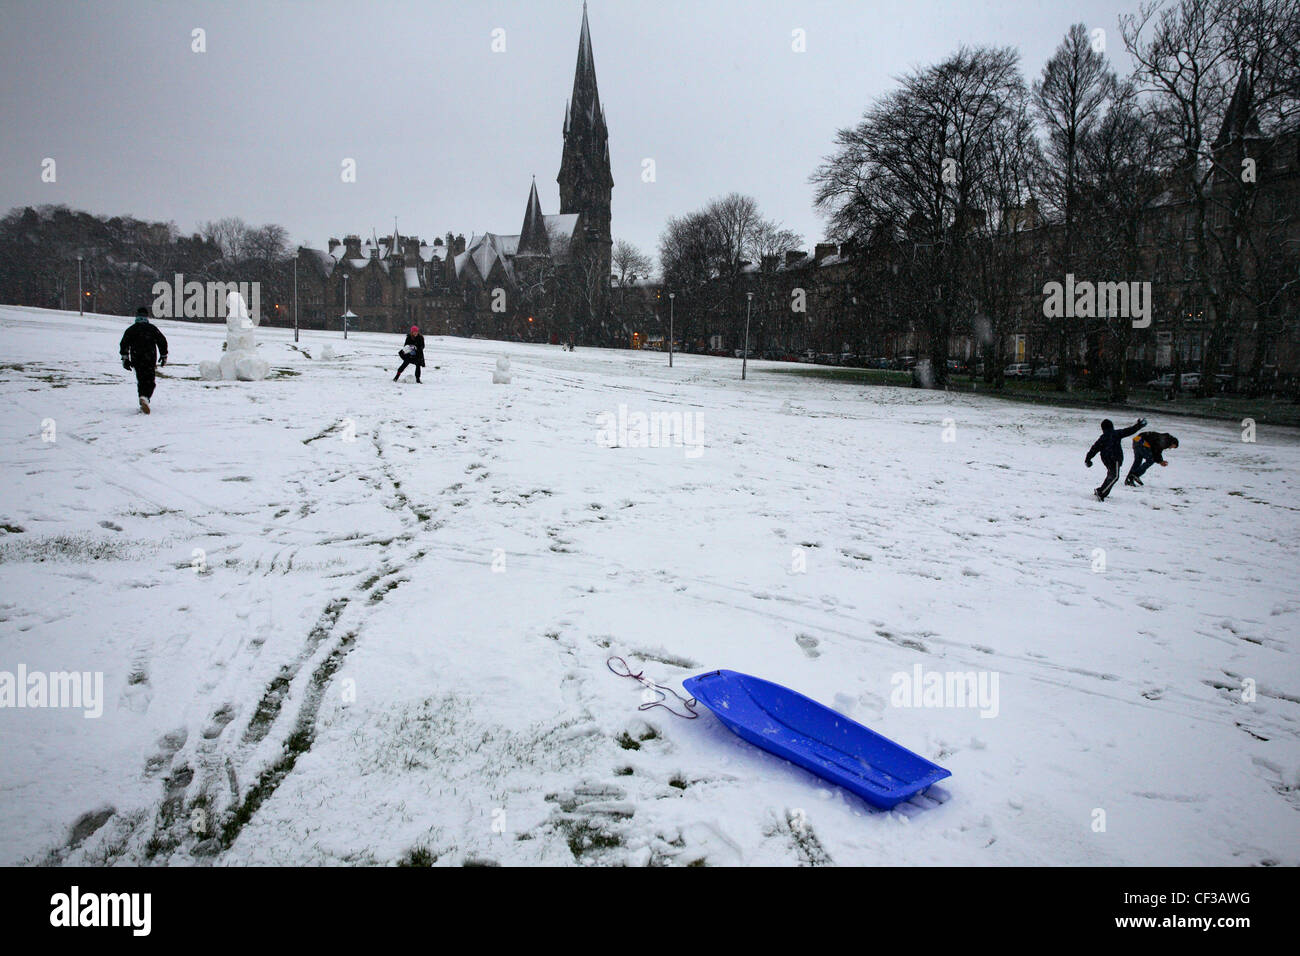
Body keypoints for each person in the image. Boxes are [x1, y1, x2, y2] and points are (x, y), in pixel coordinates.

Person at [119, 306, 168, 414]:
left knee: (141, 379)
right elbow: (162, 341)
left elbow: (124, 344)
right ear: (147, 317)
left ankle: (142, 397)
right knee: (150, 380)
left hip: (137, 358)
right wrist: (163, 355)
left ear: (137, 316)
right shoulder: (152, 329)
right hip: (150, 358)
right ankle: (145, 397)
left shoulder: (131, 329)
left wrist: (125, 358)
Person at [1085, 417, 1147, 501]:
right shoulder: (1116, 433)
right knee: (1115, 476)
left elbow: (1094, 448)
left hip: (1106, 458)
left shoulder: (1102, 438)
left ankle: (1101, 490)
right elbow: (1129, 430)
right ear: (1112, 426)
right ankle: (1102, 492)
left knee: (1111, 475)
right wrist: (1139, 425)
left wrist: (1088, 459)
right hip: (1115, 457)